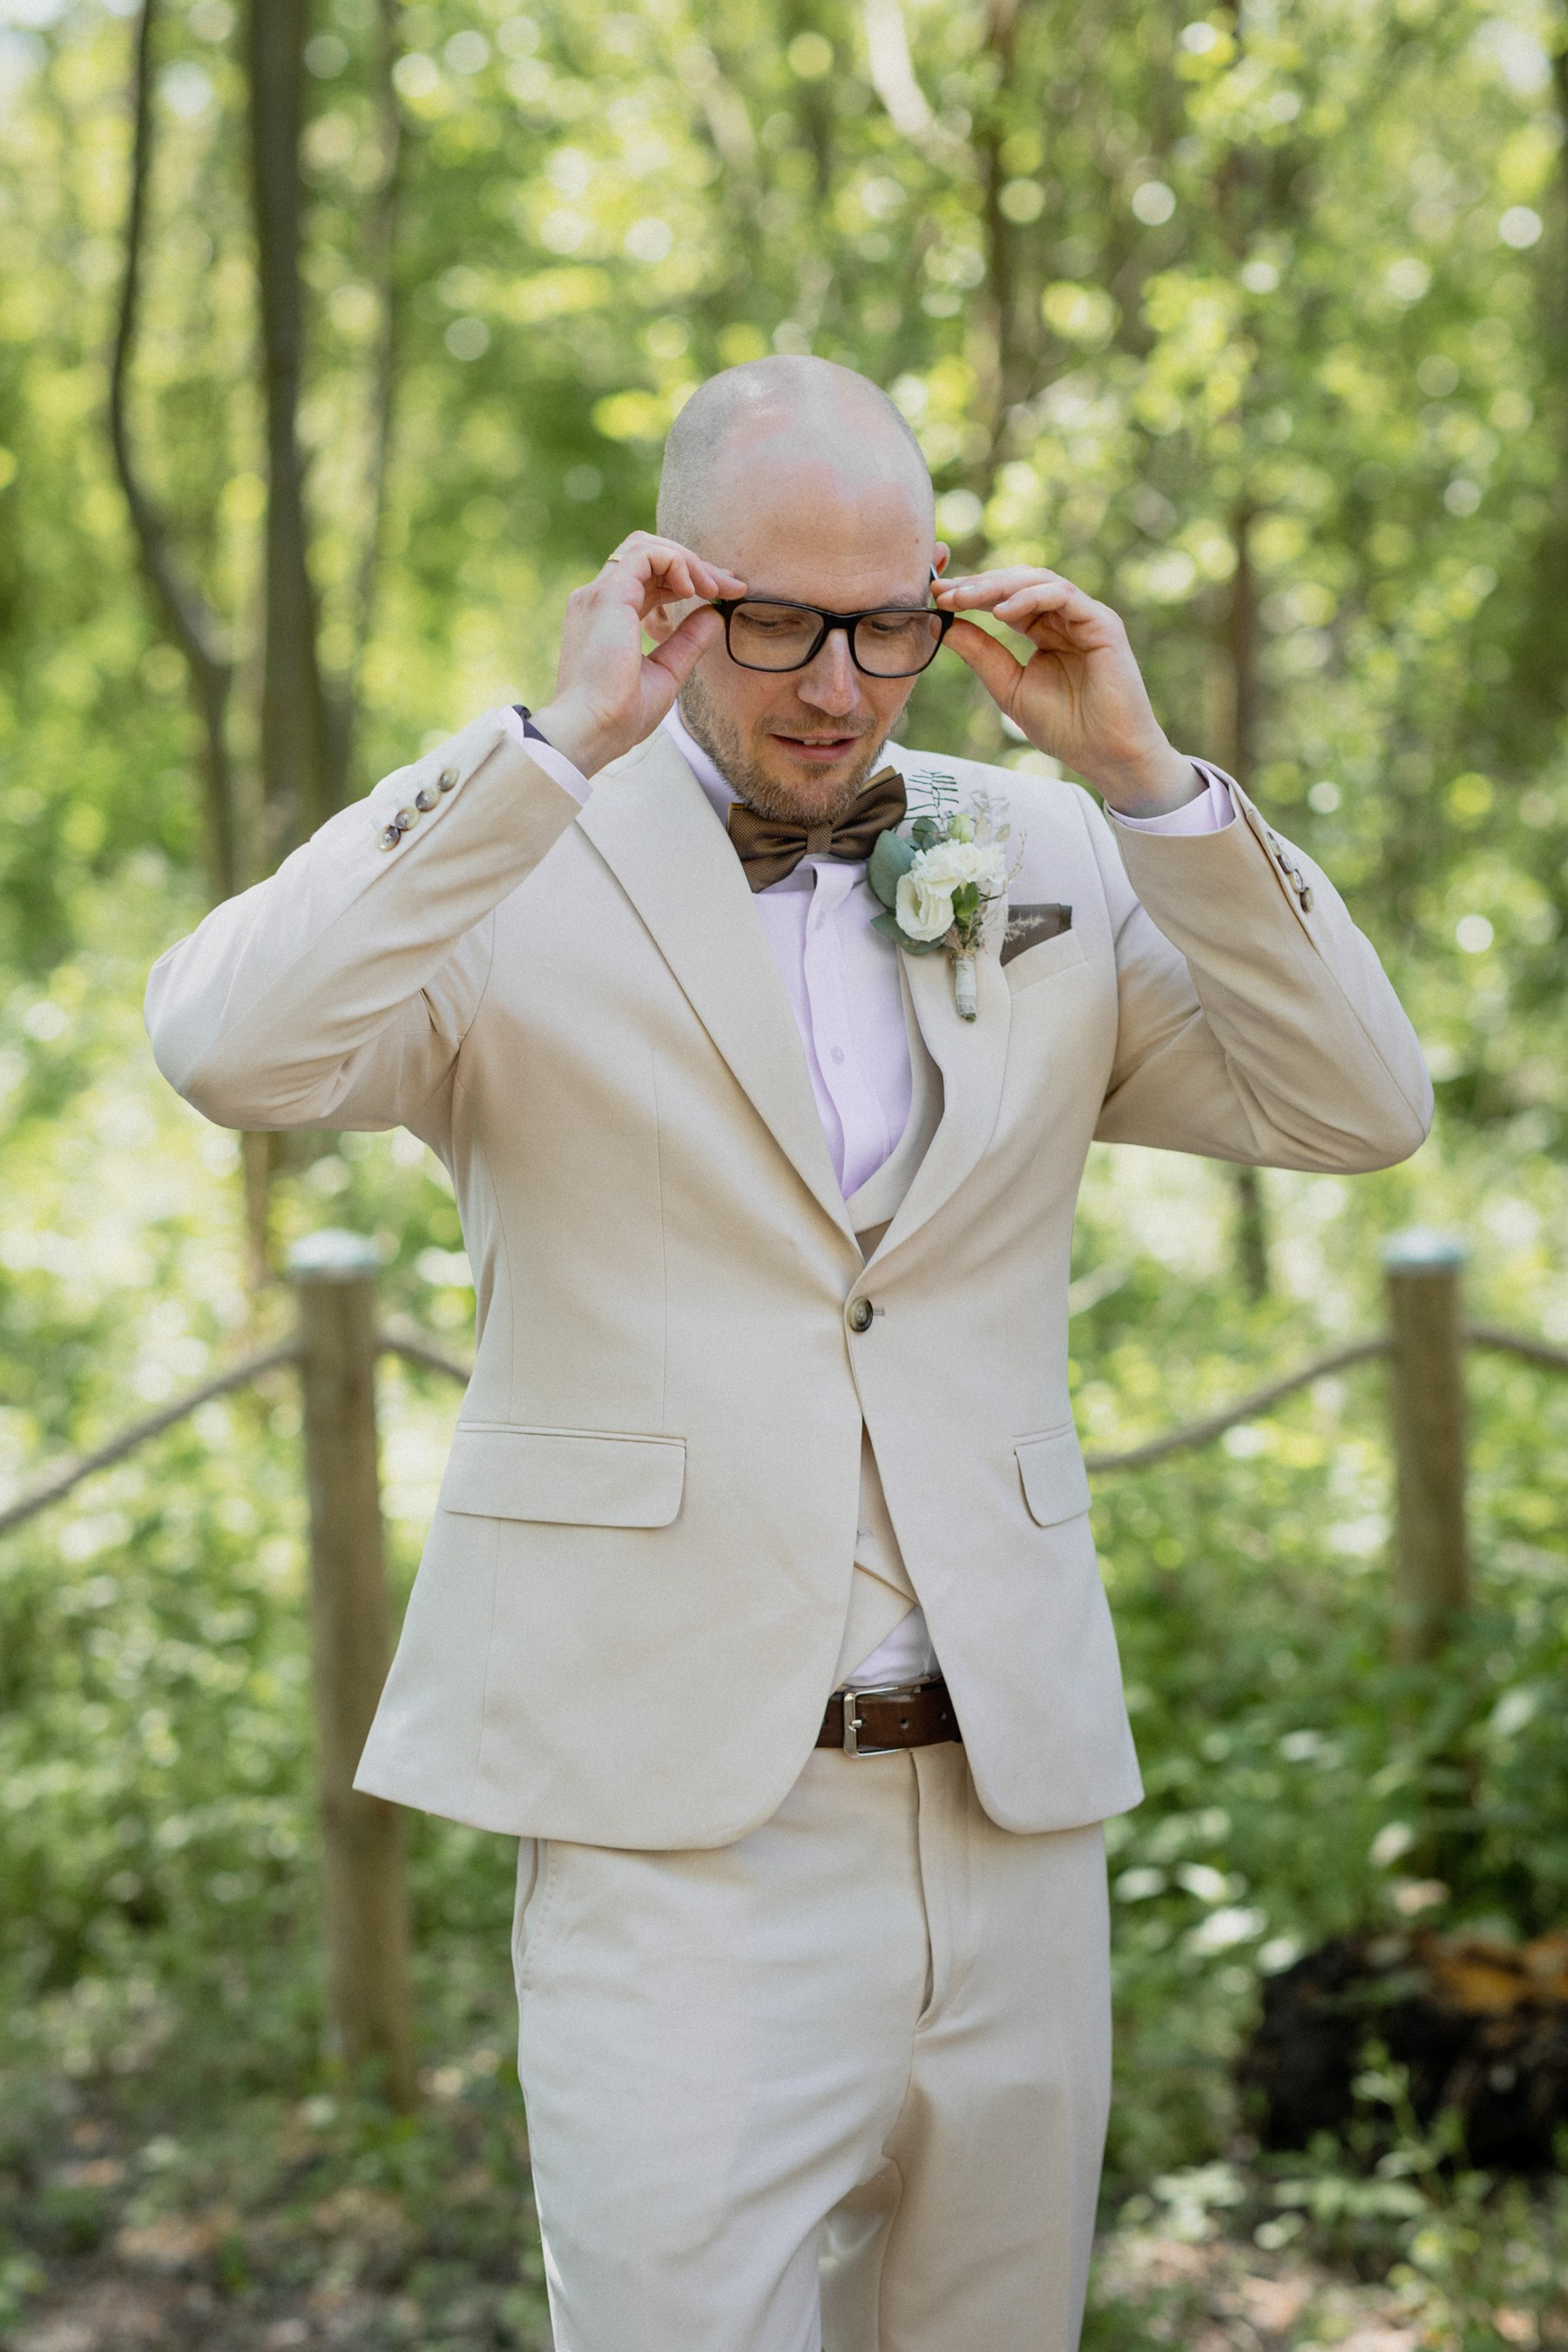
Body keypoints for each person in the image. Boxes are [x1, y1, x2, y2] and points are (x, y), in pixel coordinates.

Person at [145, 356, 1431, 2352]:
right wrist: (548, 743)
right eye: (777, 624)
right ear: (669, 588)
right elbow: (228, 1046)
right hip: (674, 1837)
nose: (838, 686)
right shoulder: (516, 855)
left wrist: (1150, 782)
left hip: (1012, 1815)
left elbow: (1360, 1104)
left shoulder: (1045, 849)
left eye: (888, 625)